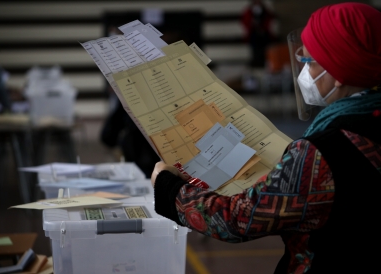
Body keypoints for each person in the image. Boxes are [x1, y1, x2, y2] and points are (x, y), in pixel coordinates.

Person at [151, 3, 381, 273]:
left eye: (308, 62)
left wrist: (169, 188)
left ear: (339, 73)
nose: (304, 74)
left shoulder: (322, 153)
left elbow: (239, 219)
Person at [240, 0, 279, 68]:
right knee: (255, 51)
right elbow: (245, 21)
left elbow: (269, 20)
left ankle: (266, 63)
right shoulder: (249, 11)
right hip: (254, 35)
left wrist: (263, 28)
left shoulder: (266, 11)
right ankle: (257, 63)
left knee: (265, 51)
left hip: (264, 35)